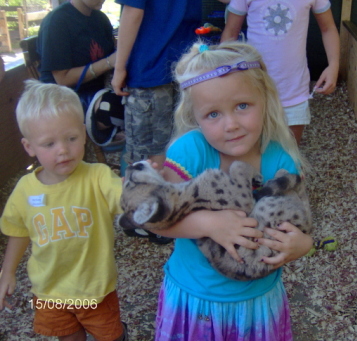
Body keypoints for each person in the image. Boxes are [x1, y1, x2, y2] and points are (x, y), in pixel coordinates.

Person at [149, 41, 313, 340]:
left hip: (258, 302)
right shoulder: (191, 152)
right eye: (213, 114)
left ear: (264, 99)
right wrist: (210, 224)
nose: (231, 124)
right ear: (195, 117)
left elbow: (297, 220)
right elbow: (155, 217)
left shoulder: (278, 159)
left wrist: (302, 246)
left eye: (242, 106)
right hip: (196, 299)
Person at [0, 80, 127, 341]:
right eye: (49, 144)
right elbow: (19, 230)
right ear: (29, 147)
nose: (63, 150)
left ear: (83, 133)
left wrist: (140, 185)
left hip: (96, 289)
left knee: (110, 336)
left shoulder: (97, 176)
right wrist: (8, 271)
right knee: (68, 337)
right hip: (49, 291)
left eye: (71, 138)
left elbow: (123, 197)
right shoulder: (25, 190)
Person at [111, 0, 202, 243]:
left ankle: (147, 219)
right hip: (184, 67)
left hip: (149, 68)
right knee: (176, 143)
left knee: (146, 152)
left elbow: (132, 12)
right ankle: (168, 211)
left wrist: (119, 68)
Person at [221, 0, 340, 144]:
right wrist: (224, 74)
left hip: (294, 90)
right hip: (253, 89)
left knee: (290, 152)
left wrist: (333, 66)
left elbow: (328, 28)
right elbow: (231, 33)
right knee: (252, 152)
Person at [37, 0, 123, 147]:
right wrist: (109, 62)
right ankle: (108, 133)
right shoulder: (56, 22)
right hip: (61, 98)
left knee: (135, 99)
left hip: (97, 92)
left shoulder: (100, 19)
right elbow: (62, 79)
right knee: (114, 107)